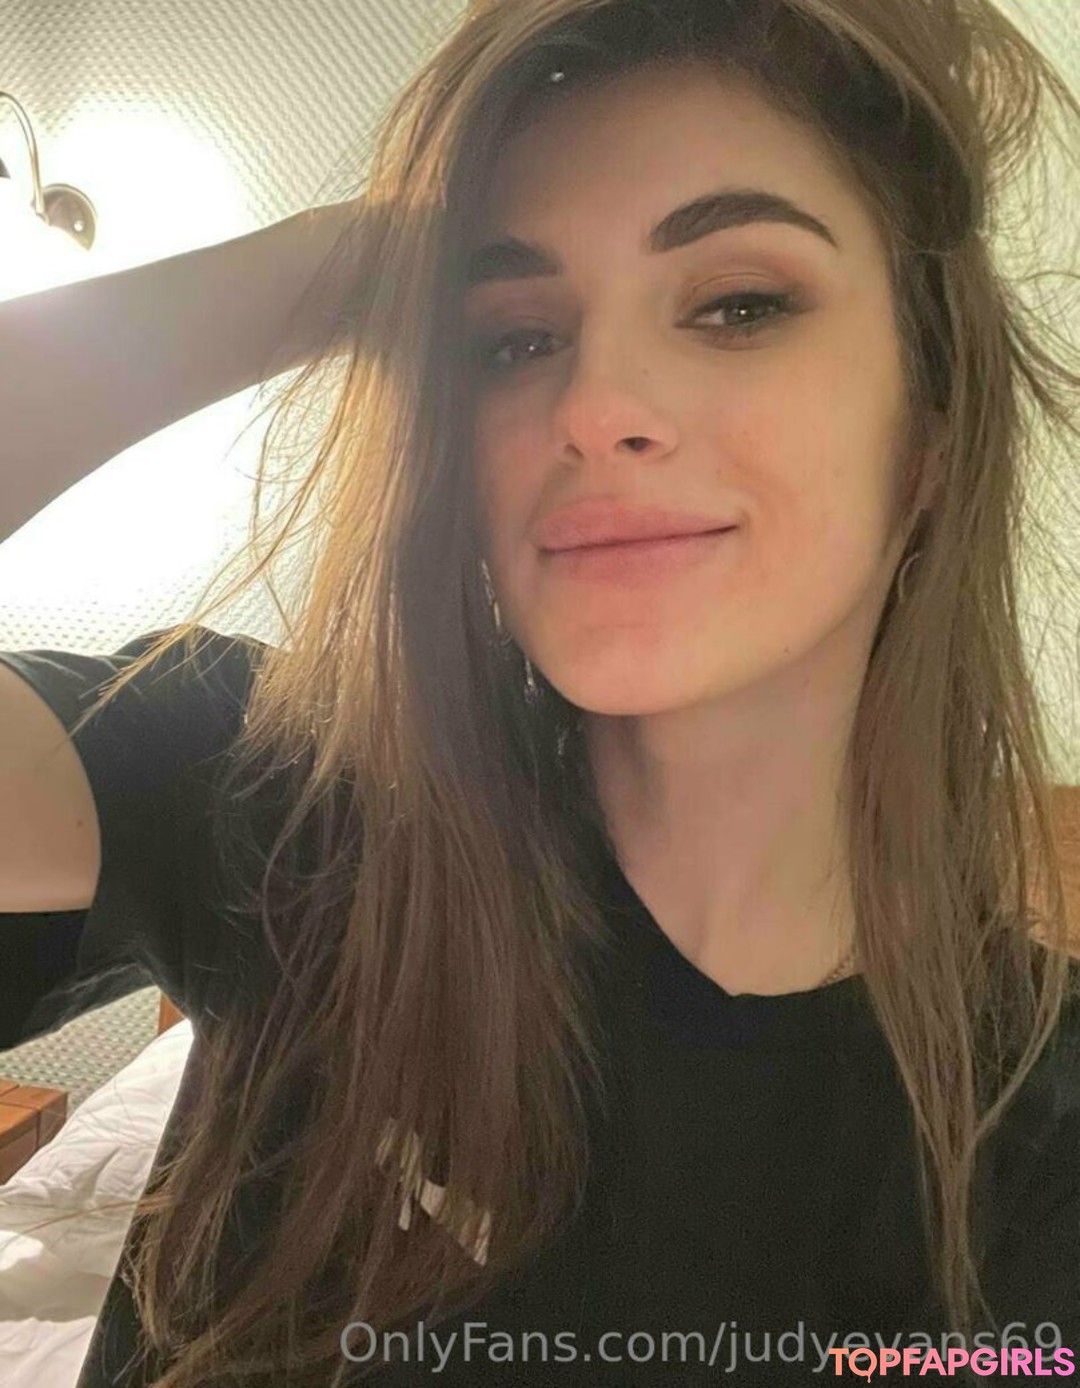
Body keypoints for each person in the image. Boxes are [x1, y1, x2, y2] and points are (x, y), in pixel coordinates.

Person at [1, 0, 1079, 1384]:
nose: (592, 405)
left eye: (740, 305)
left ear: (929, 437)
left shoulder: (1040, 1142)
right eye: (513, 337)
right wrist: (340, 264)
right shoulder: (274, 785)